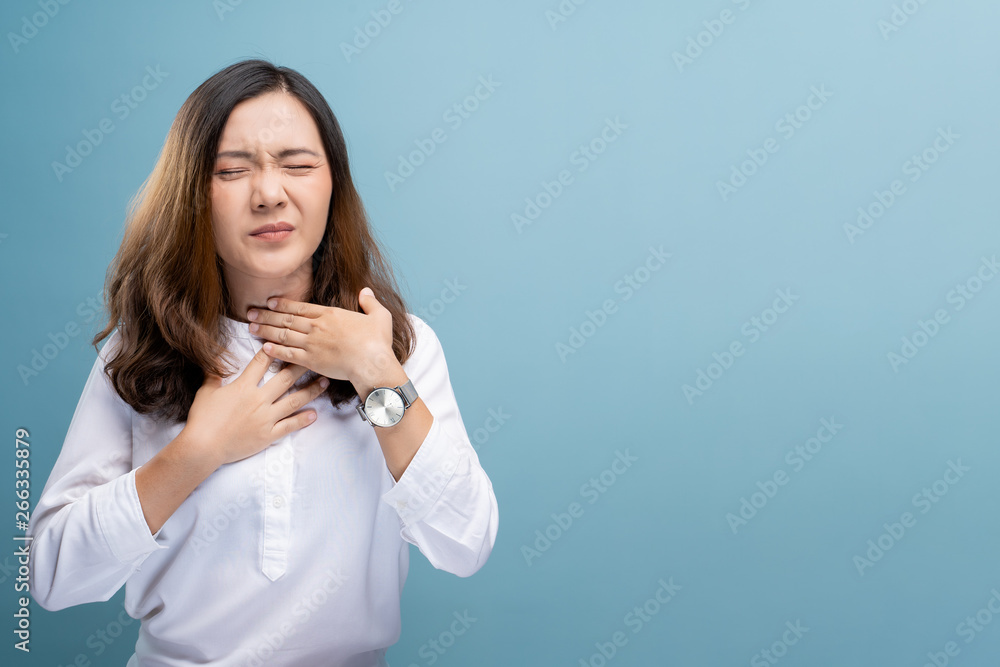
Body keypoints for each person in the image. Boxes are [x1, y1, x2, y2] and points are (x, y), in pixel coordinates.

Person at [25, 58, 499, 667]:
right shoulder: (144, 350)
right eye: (231, 170)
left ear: (335, 183)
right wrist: (197, 452)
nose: (269, 193)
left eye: (299, 165)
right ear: (194, 193)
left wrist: (378, 374)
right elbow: (50, 576)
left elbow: (467, 544)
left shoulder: (399, 345)